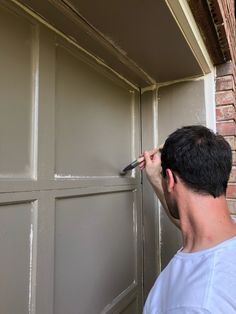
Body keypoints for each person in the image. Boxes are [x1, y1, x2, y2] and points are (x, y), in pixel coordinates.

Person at [140, 125, 236, 314]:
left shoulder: (197, 305)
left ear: (171, 179)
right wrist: (156, 178)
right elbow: (189, 224)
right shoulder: (224, 236)